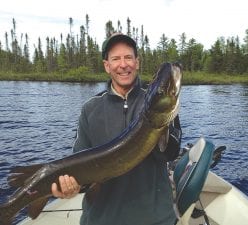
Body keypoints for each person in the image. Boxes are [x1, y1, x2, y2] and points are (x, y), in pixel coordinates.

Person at [51, 33, 182, 225]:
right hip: (101, 220)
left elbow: (170, 153)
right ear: (107, 66)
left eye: (128, 57)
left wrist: (166, 121)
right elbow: (81, 165)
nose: (123, 64)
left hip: (155, 219)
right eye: (116, 59)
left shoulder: (158, 102)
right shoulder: (90, 108)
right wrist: (73, 186)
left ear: (137, 62)